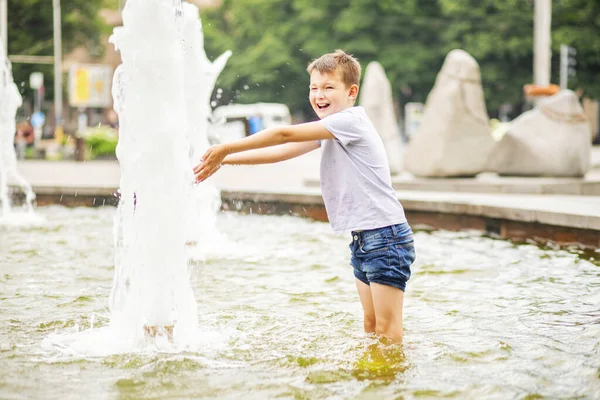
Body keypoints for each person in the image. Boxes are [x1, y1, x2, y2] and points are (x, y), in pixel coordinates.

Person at [193, 49, 415, 343]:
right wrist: (223, 161)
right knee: (372, 325)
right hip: (365, 238)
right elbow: (280, 152)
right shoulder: (332, 130)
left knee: (387, 329)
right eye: (313, 88)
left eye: (328, 87)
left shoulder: (351, 122)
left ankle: (396, 384)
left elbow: (284, 135)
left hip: (385, 237)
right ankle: (378, 386)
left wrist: (227, 147)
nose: (319, 94)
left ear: (352, 92)